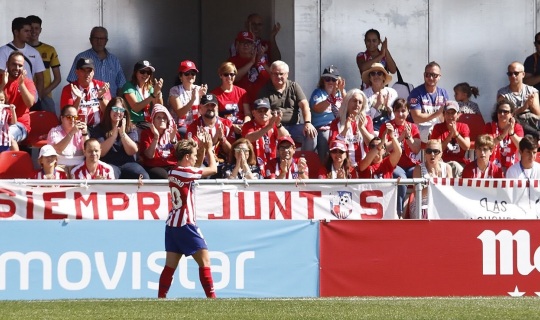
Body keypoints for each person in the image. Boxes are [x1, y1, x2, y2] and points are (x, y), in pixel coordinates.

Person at [158, 137, 217, 299]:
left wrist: (202, 149)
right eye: (194, 155)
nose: (196, 158)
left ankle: (160, 299)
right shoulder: (186, 172)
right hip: (186, 223)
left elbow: (195, 170)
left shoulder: (173, 172)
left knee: (170, 266)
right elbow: (213, 169)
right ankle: (212, 299)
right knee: (205, 262)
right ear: (186, 157)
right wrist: (210, 149)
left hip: (172, 224)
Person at [258, 60, 317, 151]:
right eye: (275, 74)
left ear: (287, 74)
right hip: (275, 127)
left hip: (294, 126)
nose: (278, 76)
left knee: (311, 134)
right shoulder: (265, 90)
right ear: (271, 74)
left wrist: (308, 123)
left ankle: (305, 161)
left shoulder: (294, 86)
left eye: (281, 74)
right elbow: (264, 112)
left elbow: (305, 105)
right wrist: (278, 126)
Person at [380, 98, 421, 217]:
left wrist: (408, 138)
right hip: (394, 164)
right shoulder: (387, 126)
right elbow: (384, 148)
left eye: (403, 111)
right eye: (397, 111)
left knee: (424, 176)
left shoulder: (412, 127)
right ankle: (399, 214)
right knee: (401, 179)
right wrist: (400, 138)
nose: (400, 114)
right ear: (393, 111)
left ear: (408, 112)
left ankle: (419, 212)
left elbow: (416, 149)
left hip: (411, 165)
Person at [93, 97, 149, 180]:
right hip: (109, 163)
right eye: (115, 109)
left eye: (121, 110)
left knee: (144, 177)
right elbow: (101, 152)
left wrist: (122, 134)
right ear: (109, 110)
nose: (118, 112)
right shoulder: (99, 128)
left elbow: (132, 151)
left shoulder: (131, 128)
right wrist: (114, 136)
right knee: (108, 178)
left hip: (128, 163)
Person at [67, 26, 126, 97]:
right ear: (90, 40)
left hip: (111, 104)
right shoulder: (81, 57)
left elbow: (121, 84)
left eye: (102, 39)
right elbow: (72, 81)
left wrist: (117, 103)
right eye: (96, 38)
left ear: (106, 41)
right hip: (89, 103)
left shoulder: (114, 60)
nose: (99, 41)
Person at [186, 94, 235, 178]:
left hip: (224, 164)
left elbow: (232, 152)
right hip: (203, 164)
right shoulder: (193, 127)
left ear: (217, 108)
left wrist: (222, 139)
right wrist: (205, 145)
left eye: (213, 105)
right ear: (200, 109)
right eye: (207, 105)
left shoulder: (227, 124)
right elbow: (193, 155)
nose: (210, 108)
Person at [0, 17, 45, 104]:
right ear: (16, 32)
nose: (30, 34)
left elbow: (40, 77)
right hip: (9, 99)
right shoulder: (3, 51)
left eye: (30, 31)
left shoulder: (34, 52)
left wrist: (37, 97)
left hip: (30, 98)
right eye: (26, 31)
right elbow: (1, 75)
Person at [309, 65, 346, 163]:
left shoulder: (341, 93)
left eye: (333, 79)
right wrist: (331, 97)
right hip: (323, 127)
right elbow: (317, 109)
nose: (330, 82)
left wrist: (341, 91)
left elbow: (349, 107)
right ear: (323, 80)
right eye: (327, 79)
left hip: (339, 126)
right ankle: (323, 168)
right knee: (326, 138)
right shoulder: (318, 92)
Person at [60, 58, 111, 129]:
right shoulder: (68, 89)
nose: (86, 74)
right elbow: (68, 117)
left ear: (93, 72)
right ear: (76, 72)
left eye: (89, 71)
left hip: (100, 128)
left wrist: (100, 97)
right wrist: (78, 99)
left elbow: (109, 113)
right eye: (83, 70)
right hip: (77, 129)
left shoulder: (102, 86)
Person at [329, 89, 374, 168]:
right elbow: (332, 146)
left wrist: (362, 128)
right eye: (354, 101)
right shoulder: (336, 123)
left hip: (363, 166)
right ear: (347, 102)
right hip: (344, 167)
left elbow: (373, 146)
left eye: (360, 102)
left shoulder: (367, 120)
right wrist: (345, 129)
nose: (357, 104)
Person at [242, 97, 289, 173]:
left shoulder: (273, 124)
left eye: (265, 111)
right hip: (254, 166)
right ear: (253, 113)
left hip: (272, 165)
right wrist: (268, 127)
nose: (263, 113)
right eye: (260, 111)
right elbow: (249, 138)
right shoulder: (248, 125)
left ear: (270, 112)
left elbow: (286, 137)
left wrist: (278, 124)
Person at [26, 15, 61, 115]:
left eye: (36, 28)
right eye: (31, 28)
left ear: (40, 30)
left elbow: (58, 78)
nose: (33, 31)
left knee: (49, 125)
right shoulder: (20, 50)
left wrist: (43, 93)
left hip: (45, 96)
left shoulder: (49, 50)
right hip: (25, 95)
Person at [407, 61, 449, 143]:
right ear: (424, 75)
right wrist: (437, 114)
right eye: (428, 74)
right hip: (421, 128)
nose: (431, 78)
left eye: (434, 75)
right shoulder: (416, 93)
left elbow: (445, 118)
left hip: (438, 127)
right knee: (433, 132)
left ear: (439, 76)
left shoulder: (443, 93)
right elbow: (416, 118)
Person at [410, 139, 453, 219]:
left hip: (441, 203)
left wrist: (437, 184)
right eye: (429, 151)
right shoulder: (418, 169)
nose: (432, 154)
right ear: (425, 154)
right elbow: (417, 195)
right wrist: (432, 184)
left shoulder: (447, 168)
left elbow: (450, 191)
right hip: (421, 204)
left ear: (441, 154)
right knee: (427, 213)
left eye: (436, 151)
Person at [497, 61, 540, 139]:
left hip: (531, 125)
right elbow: (503, 115)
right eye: (510, 74)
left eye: (516, 73)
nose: (513, 76)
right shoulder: (503, 93)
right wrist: (524, 107)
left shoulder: (532, 91)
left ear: (523, 74)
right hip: (512, 127)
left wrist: (530, 105)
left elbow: (537, 115)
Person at [1, 51, 36, 144]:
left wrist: (21, 85)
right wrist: (3, 85)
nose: (17, 68)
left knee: (6, 135)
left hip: (20, 125)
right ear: (7, 64)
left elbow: (30, 103)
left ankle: (15, 158)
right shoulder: (1, 79)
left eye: (20, 65)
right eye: (14, 64)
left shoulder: (27, 82)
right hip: (1, 122)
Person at [430, 101, 471, 177]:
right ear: (444, 114)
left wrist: (456, 134)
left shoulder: (464, 126)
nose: (450, 116)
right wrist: (449, 136)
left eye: (453, 113)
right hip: (442, 163)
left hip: (460, 163)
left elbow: (467, 146)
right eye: (447, 113)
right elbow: (437, 150)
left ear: (458, 114)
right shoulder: (438, 128)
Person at [228, 31, 271, 104]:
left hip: (261, 104)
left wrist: (260, 62)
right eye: (242, 42)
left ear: (253, 46)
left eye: (249, 43)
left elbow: (273, 76)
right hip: (241, 102)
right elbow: (234, 78)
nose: (246, 45)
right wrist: (251, 62)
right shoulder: (231, 61)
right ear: (237, 45)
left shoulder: (261, 59)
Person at [483, 99, 524, 174]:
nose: (502, 114)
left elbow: (521, 147)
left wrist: (511, 133)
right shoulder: (489, 126)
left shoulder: (517, 127)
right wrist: (502, 135)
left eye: (505, 112)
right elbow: (486, 146)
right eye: (500, 111)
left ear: (511, 114)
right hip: (492, 167)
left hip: (512, 168)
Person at [168, 60, 207, 137]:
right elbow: (180, 113)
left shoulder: (199, 89)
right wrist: (192, 100)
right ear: (180, 76)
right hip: (179, 127)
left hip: (197, 125)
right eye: (186, 73)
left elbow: (204, 111)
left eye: (193, 74)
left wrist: (203, 97)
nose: (190, 76)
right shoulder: (175, 90)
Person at [139, 104, 179, 179]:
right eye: (158, 117)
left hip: (172, 165)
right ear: (153, 120)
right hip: (154, 166)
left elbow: (181, 155)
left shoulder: (173, 132)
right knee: (164, 176)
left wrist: (173, 141)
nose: (162, 120)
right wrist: (156, 137)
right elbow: (149, 156)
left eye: (164, 118)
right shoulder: (146, 133)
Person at [210, 62, 250, 134]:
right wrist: (231, 126)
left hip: (242, 128)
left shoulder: (242, 92)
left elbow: (248, 113)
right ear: (220, 75)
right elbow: (215, 117)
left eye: (232, 74)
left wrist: (245, 124)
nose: (229, 77)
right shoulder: (214, 94)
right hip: (224, 130)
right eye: (226, 74)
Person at [122, 60, 164, 129]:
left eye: (148, 72)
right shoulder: (129, 86)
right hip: (133, 123)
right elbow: (136, 108)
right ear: (136, 73)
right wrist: (153, 95)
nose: (145, 74)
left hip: (146, 123)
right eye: (142, 72)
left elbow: (159, 108)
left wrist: (158, 93)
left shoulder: (150, 88)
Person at [47, 105, 89, 171]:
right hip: (60, 167)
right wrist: (72, 132)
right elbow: (58, 148)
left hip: (79, 167)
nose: (72, 120)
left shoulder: (81, 132)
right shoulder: (55, 131)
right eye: (69, 117)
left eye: (75, 117)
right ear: (62, 118)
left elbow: (88, 150)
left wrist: (85, 134)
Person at [362, 62, 398, 133]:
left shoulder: (392, 93)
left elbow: (397, 117)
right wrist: (376, 105)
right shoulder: (364, 94)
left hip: (390, 130)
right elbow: (364, 119)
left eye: (379, 73)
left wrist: (388, 107)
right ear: (370, 78)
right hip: (371, 130)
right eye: (373, 74)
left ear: (384, 77)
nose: (376, 76)